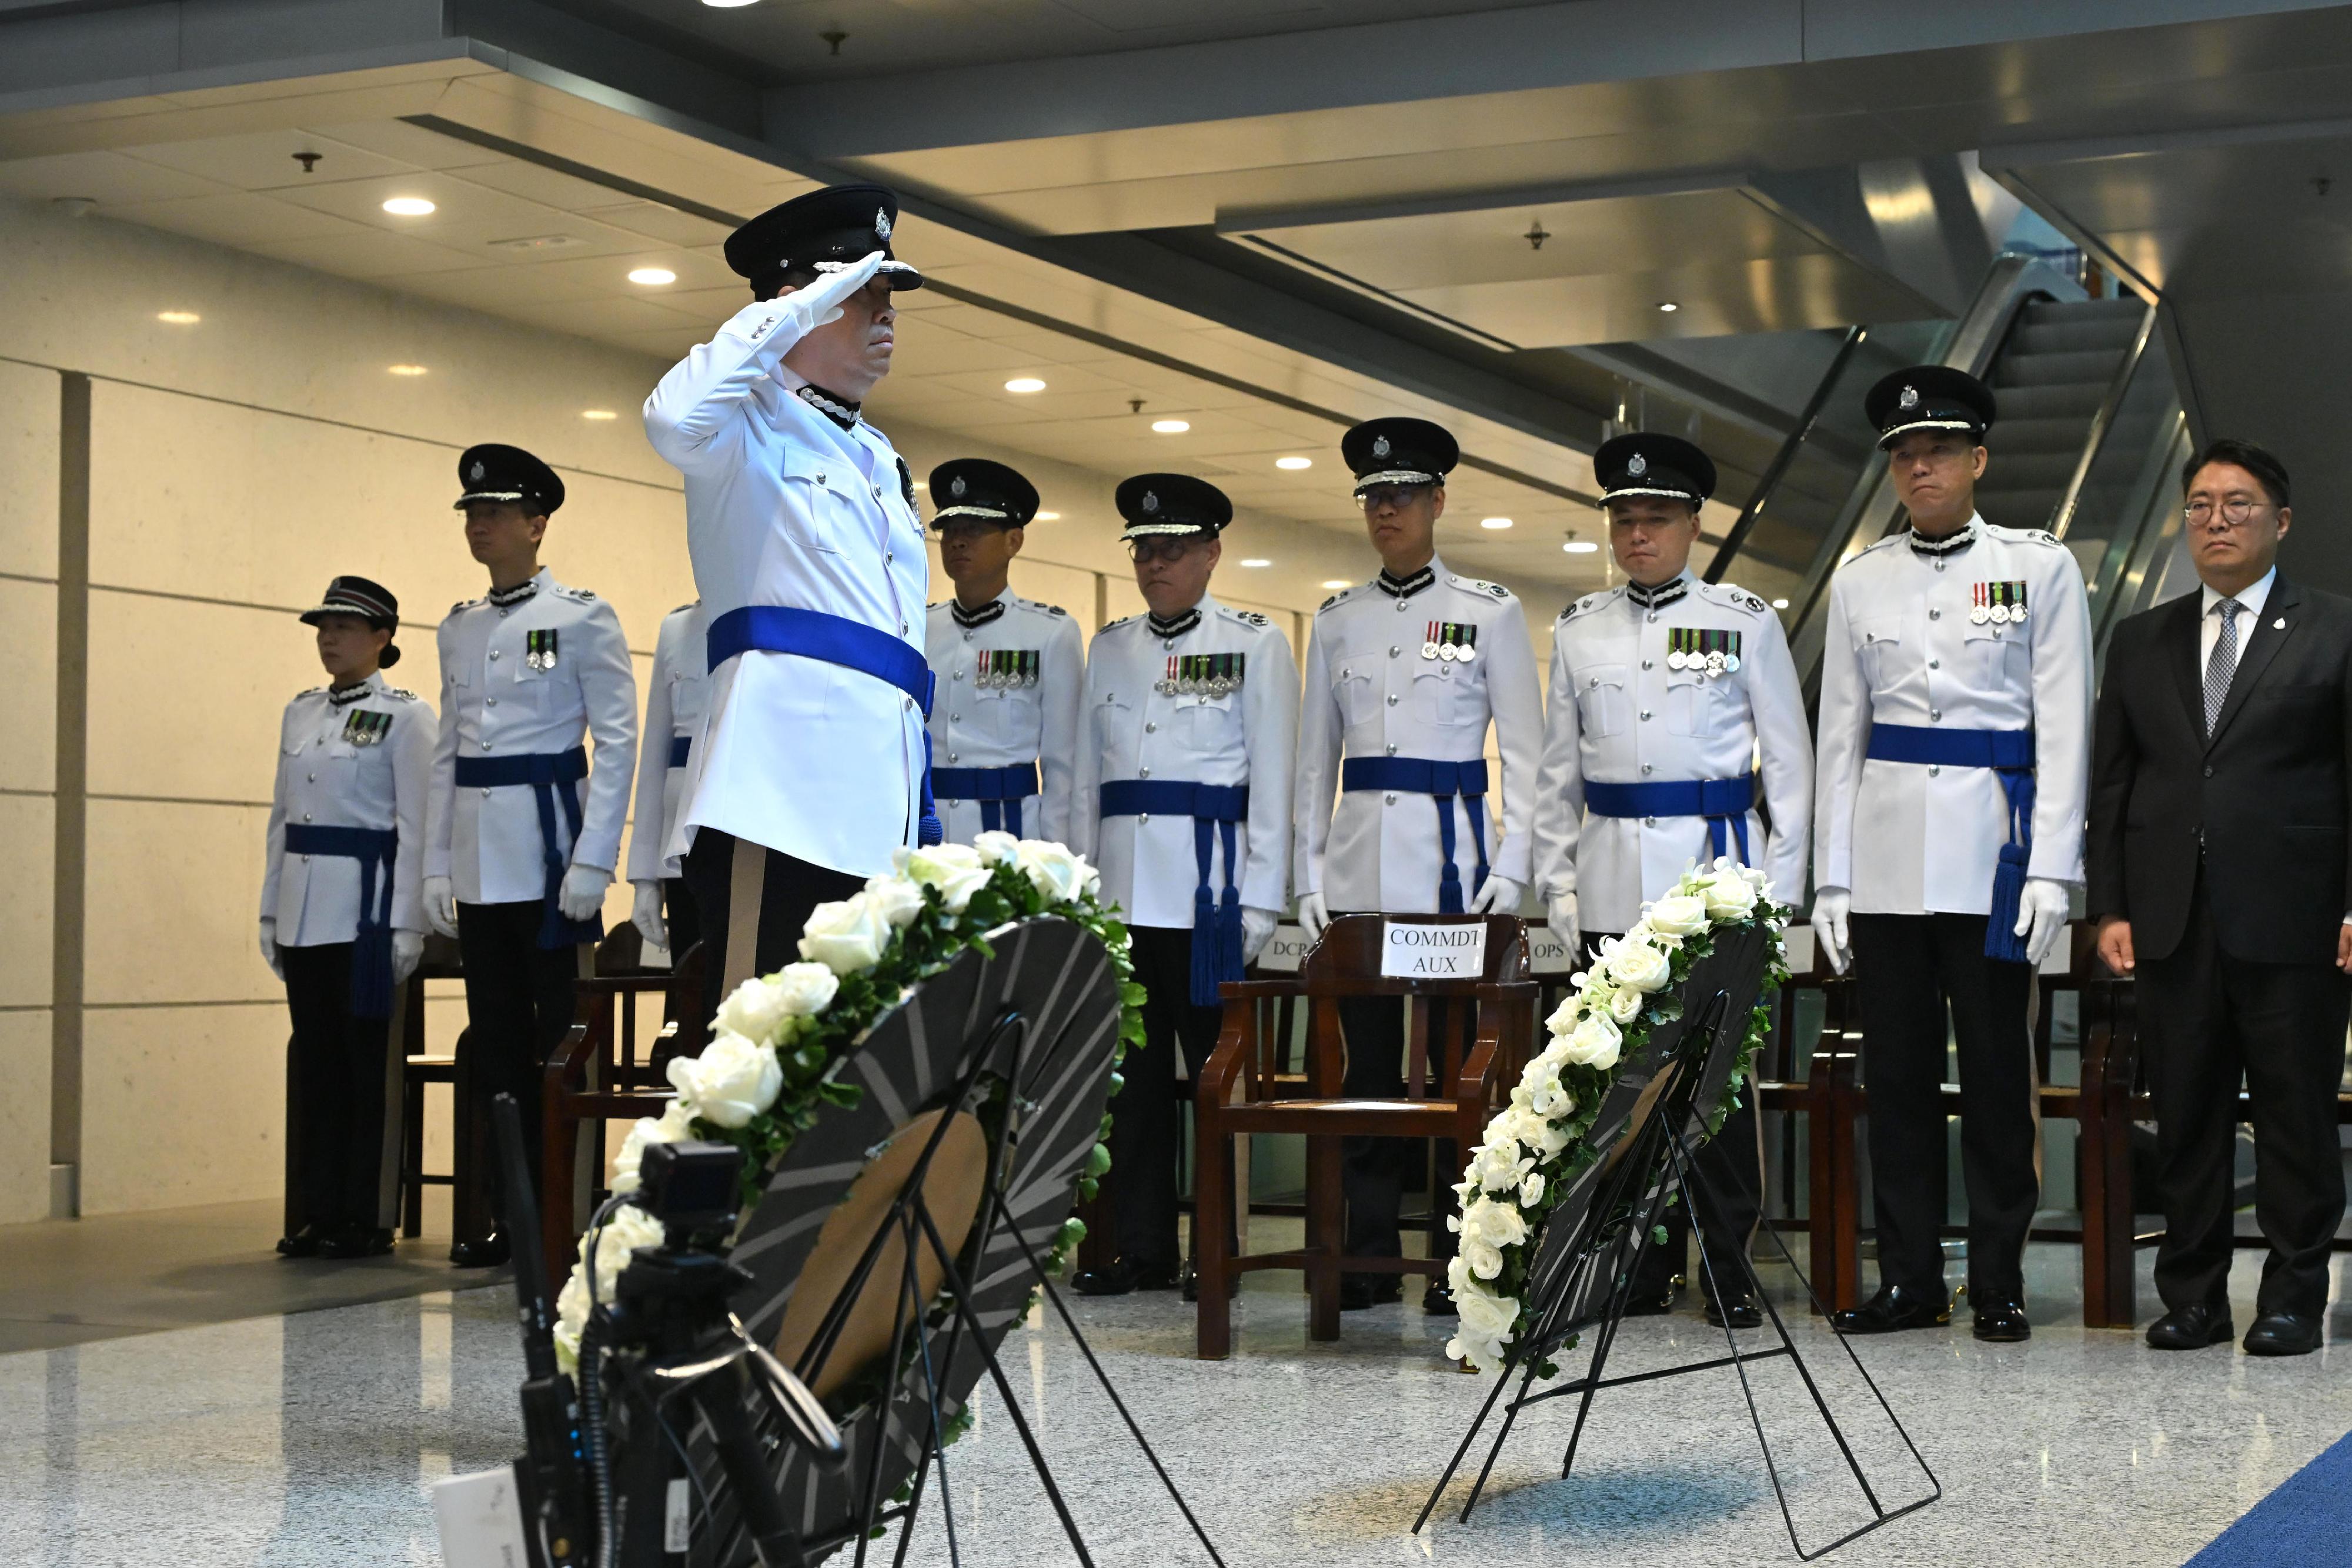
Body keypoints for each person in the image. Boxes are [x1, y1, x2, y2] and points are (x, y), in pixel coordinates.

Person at [1810, 367, 2090, 1342]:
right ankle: (1912, 1278)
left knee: (1996, 1087)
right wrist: (1831, 877)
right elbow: (1838, 736)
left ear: (1977, 459)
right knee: (1896, 1083)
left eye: (1936, 450)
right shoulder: (1858, 579)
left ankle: (2001, 1278)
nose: (1918, 465)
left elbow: (2062, 725)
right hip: (1887, 866)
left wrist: (2056, 865)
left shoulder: (2040, 566)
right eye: (1902, 452)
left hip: (1995, 863)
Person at [1532, 433, 1812, 1327]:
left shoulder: (1743, 617)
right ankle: (1638, 1260)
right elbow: (1555, 770)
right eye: (1623, 516)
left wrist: (1783, 885)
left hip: (1717, 873)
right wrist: (1557, 880)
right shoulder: (1578, 628)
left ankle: (1728, 1261)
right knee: (1623, 1080)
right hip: (1612, 868)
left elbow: (1791, 762)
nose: (1638, 533)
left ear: (1694, 523)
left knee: (1719, 1081)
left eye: (1656, 517)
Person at [642, 183, 931, 1024]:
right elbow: (670, 418)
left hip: (877, 808)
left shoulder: (878, 457)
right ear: (797, 299)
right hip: (775, 797)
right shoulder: (743, 429)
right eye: (860, 296)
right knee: (754, 1054)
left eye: (888, 300)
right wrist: (796, 307)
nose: (884, 318)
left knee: (854, 1078)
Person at [2089, 439, 2351, 1358]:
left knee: (2294, 1114)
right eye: (2200, 504)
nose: (2217, 520)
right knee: (2190, 1114)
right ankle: (2193, 1297)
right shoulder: (2140, 636)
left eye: (2238, 504)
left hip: (2298, 916)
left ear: (2281, 521)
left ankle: (2292, 1297)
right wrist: (2110, 905)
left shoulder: (2334, 628)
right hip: (2170, 916)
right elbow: (2113, 784)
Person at [1292, 417, 1544, 1312]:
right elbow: (1315, 760)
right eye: (1373, 495)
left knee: (1451, 1075)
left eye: (1402, 493)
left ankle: (1457, 1257)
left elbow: (1528, 750)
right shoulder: (1337, 618)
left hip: (1454, 872)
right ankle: (1363, 1254)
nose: (1386, 508)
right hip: (1362, 876)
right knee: (1362, 1076)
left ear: (1438, 500)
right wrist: (1306, 873)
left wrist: (1514, 870)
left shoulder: (1490, 611)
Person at [1068, 473, 1297, 1297]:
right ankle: (1141, 1246)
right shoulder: (1111, 645)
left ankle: (1220, 1245)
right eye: (1144, 549)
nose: (1155, 563)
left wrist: (1263, 896)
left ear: (1211, 552)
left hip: (1211, 898)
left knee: (1213, 1080)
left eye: (1172, 548)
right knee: (1129, 1088)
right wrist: (1079, 886)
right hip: (1124, 894)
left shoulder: (1256, 642)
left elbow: (1274, 775)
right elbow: (1086, 781)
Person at [422, 444, 638, 1268]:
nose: (480, 523)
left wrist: (595, 858)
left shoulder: (585, 616)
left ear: (537, 522)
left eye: (496, 511)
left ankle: (568, 1216)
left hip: (554, 865)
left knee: (563, 1044)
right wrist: (437, 866)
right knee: (500, 1044)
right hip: (481, 865)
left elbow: (616, 742)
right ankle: (511, 1215)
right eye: (472, 512)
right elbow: (448, 753)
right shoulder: (460, 625)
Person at [261, 576, 433, 1260]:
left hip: (364, 914)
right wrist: (271, 909)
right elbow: (281, 820)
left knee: (367, 1074)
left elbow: (419, 826)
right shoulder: (299, 713)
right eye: (323, 627)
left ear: (383, 638)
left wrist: (408, 922)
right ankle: (319, 1211)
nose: (329, 639)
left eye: (345, 627)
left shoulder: (409, 716)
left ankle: (366, 1215)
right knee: (319, 1068)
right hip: (305, 912)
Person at [923, 458, 1084, 846]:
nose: (958, 541)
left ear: (1014, 540)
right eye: (950, 530)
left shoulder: (1050, 633)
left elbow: (1064, 765)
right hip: (926, 833)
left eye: (974, 529)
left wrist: (1055, 855)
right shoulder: (920, 627)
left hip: (1010, 835)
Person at [625, 600, 710, 965]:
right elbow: (656, 757)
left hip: (751, 843)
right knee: (687, 996)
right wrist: (645, 877)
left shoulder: (773, 611)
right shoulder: (678, 628)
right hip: (679, 852)